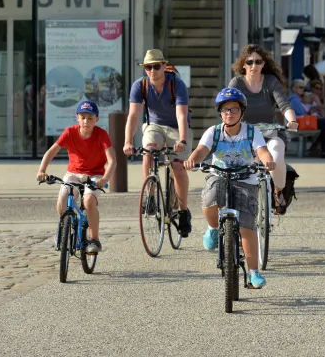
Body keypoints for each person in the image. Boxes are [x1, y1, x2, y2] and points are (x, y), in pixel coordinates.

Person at [184, 88, 275, 290]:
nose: (229, 113)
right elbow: (202, 150)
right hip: (219, 175)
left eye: (234, 109)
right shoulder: (214, 132)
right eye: (225, 110)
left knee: (246, 227)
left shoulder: (252, 132)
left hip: (246, 179)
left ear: (242, 111)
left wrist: (268, 161)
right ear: (220, 112)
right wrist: (192, 160)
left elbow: (262, 151)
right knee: (210, 199)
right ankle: (213, 229)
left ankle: (253, 272)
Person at [123, 49, 192, 237]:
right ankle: (150, 196)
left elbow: (181, 115)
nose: (152, 70)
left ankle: (184, 211)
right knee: (148, 152)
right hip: (155, 126)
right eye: (148, 67)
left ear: (163, 66)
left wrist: (183, 141)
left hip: (177, 127)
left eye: (156, 66)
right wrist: (128, 142)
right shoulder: (140, 85)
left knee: (178, 167)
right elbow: (134, 115)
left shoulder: (176, 84)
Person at [36, 101, 116, 254]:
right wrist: (42, 171)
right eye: (83, 117)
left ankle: (94, 239)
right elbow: (51, 152)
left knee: (88, 200)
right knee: (63, 199)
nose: (86, 121)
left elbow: (112, 160)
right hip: (73, 173)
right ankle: (64, 228)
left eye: (90, 118)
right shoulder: (70, 132)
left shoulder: (101, 134)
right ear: (77, 118)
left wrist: (105, 179)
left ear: (97, 119)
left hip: (94, 174)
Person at [228, 44, 299, 214]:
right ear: (243, 65)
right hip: (245, 133)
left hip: (271, 132)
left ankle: (278, 191)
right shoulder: (237, 83)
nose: (254, 66)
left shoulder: (270, 82)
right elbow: (228, 105)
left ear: (263, 64)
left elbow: (283, 103)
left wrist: (292, 120)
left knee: (275, 154)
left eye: (258, 62)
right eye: (250, 62)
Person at [289, 79, 325, 157]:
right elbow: (303, 114)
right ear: (294, 89)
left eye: (304, 87)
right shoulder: (294, 100)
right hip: (299, 123)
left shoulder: (298, 99)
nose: (303, 89)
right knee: (324, 122)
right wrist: (311, 109)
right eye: (300, 87)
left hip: (301, 122)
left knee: (324, 125)